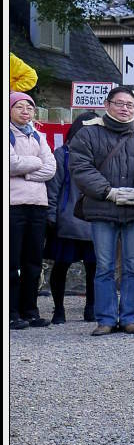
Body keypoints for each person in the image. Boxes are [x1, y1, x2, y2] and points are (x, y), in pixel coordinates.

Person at [67, 85, 134, 335]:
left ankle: (129, 317)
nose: (125, 108)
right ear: (107, 105)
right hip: (102, 208)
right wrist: (109, 192)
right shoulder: (88, 134)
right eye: (119, 103)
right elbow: (81, 168)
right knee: (104, 265)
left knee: (132, 265)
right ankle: (105, 318)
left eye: (129, 104)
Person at [45, 111, 100, 324]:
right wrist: (50, 215)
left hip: (90, 218)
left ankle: (89, 308)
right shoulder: (63, 154)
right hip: (68, 219)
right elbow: (54, 188)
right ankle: (61, 309)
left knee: (93, 268)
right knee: (62, 266)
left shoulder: (101, 154)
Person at [9, 90, 56, 329]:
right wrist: (34, 165)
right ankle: (11, 311)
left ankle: (31, 310)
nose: (25, 112)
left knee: (33, 261)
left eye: (29, 108)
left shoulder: (38, 135)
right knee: (12, 260)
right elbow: (10, 162)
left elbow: (51, 167)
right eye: (20, 107)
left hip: (38, 204)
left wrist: (24, 170)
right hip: (13, 204)